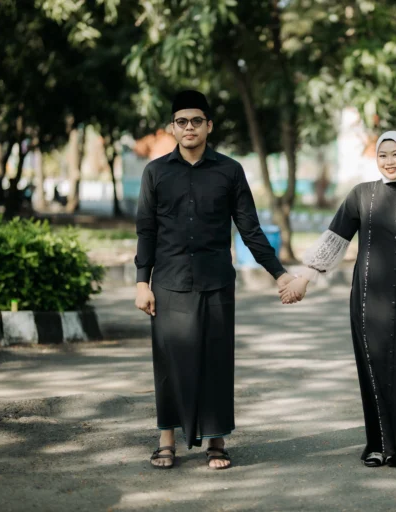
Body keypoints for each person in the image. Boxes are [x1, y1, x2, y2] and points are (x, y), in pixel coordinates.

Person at [134, 90, 295, 470]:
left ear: (209, 125)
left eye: (196, 121)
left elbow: (250, 230)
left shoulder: (229, 171)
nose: (189, 127)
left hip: (216, 282)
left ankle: (216, 441)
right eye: (181, 121)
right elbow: (146, 230)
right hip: (168, 283)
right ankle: (166, 441)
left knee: (215, 362)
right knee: (170, 363)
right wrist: (142, 281)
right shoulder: (155, 172)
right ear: (172, 128)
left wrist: (280, 273)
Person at [280, 131, 396, 467]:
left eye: (395, 154)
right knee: (374, 372)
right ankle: (379, 446)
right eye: (382, 155)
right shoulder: (362, 195)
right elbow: (335, 239)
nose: (389, 162)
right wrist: (303, 279)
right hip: (368, 302)